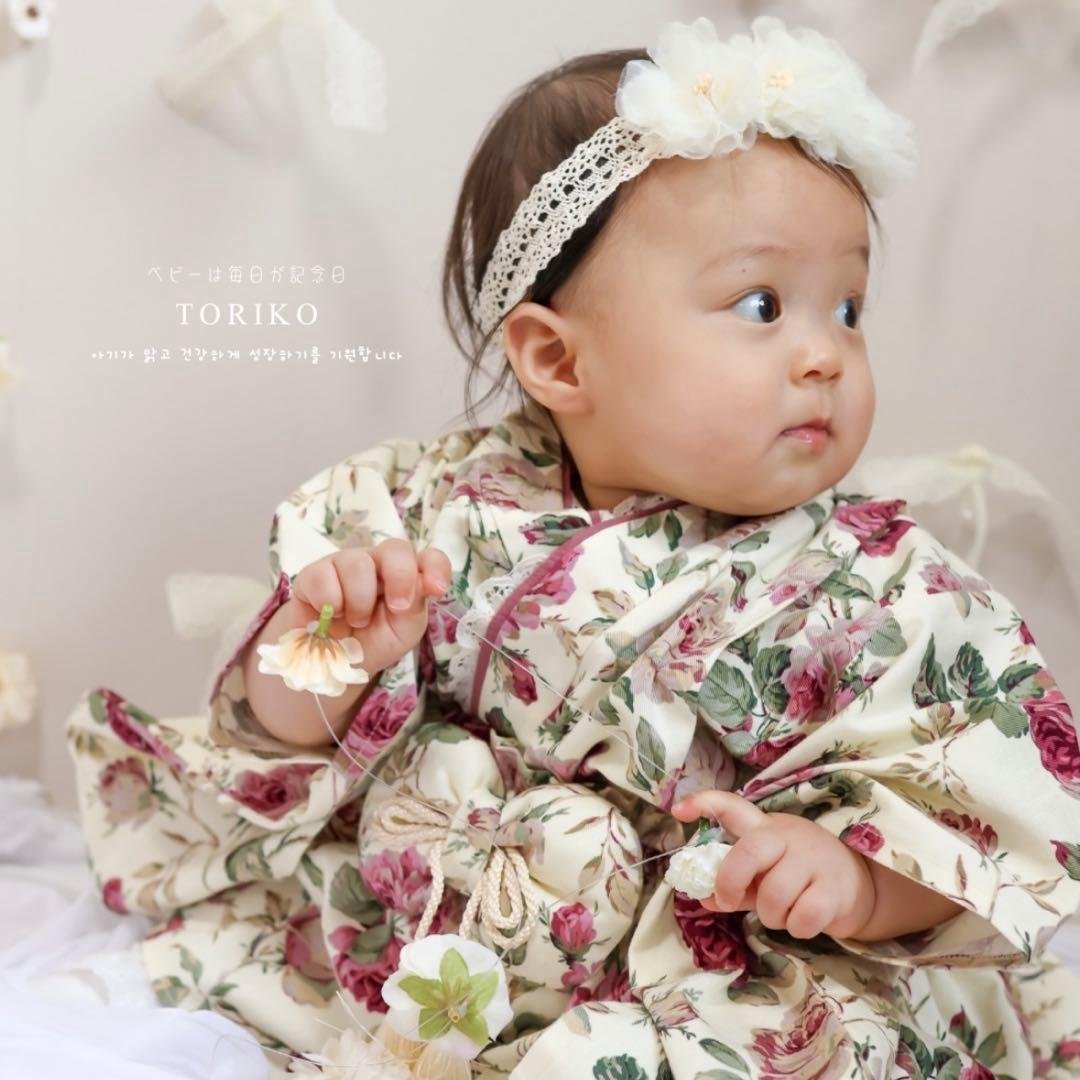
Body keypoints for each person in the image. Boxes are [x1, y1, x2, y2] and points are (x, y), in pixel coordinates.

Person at [65, 14, 1080, 1078]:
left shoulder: (877, 585)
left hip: (711, 959)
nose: (824, 353)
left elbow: (978, 811)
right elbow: (278, 733)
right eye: (762, 303)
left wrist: (854, 882)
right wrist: (331, 653)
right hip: (441, 914)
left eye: (848, 308)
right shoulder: (424, 504)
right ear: (557, 360)